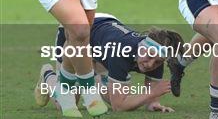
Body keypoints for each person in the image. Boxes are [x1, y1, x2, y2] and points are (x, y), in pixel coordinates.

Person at [34, 13, 180, 113]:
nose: (150, 64)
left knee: (111, 96)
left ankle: (92, 74)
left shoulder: (156, 55)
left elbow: (148, 100)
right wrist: (152, 92)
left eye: (157, 62)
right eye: (149, 56)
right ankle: (48, 75)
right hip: (76, 32)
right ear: (142, 46)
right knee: (66, 104)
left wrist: (154, 104)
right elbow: (119, 106)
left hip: (101, 39)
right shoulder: (122, 52)